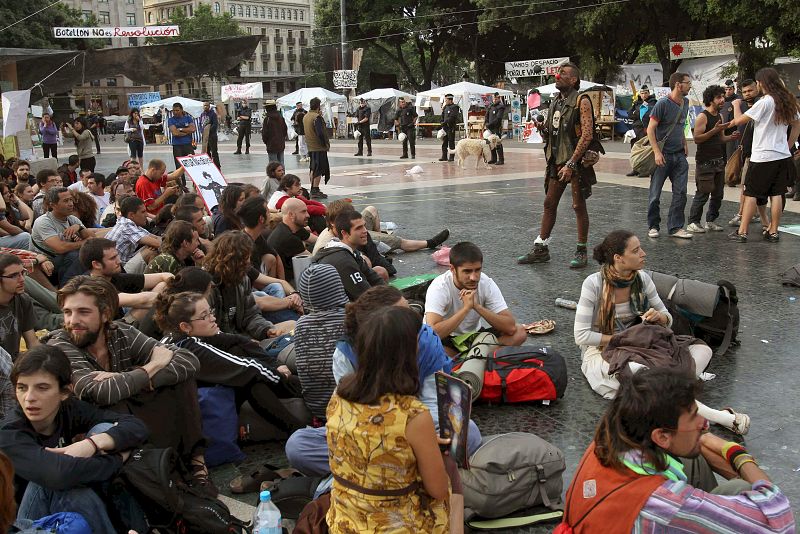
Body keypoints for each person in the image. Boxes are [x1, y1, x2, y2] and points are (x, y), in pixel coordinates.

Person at [557, 367, 793, 533]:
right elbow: (780, 520)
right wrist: (737, 454)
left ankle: (717, 515)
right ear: (661, 436)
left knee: (693, 457)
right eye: (694, 417)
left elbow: (693, 442)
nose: (705, 424)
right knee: (739, 488)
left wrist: (700, 439)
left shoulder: (610, 436)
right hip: (654, 512)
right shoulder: (666, 505)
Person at [286, 285, 482, 477]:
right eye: (402, 314)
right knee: (299, 445)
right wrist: (390, 439)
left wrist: (417, 438)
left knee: (469, 433)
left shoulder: (426, 341)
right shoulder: (346, 354)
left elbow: (432, 403)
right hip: (368, 432)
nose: (413, 320)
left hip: (417, 428)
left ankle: (372, 470)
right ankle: (411, 469)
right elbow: (349, 414)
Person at [47, 275, 214, 494]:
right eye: (68, 312)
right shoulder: (60, 346)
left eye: (83, 312)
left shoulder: (120, 333)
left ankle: (196, 463)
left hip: (127, 412)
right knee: (116, 402)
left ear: (105, 314)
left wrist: (128, 377)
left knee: (182, 381)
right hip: (92, 430)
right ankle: (159, 474)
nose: (72, 321)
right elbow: (97, 392)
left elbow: (188, 361)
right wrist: (152, 366)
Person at [574, 229, 749, 434]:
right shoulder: (594, 284)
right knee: (646, 376)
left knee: (703, 350)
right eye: (636, 251)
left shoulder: (642, 279)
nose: (643, 254)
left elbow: (667, 318)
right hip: (604, 352)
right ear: (618, 258)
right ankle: (723, 418)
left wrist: (660, 317)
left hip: (644, 345)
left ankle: (669, 390)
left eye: (641, 248)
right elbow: (582, 336)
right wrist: (622, 339)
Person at [326, 306, 451, 533]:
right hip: (397, 526)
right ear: (407, 354)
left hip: (343, 521)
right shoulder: (412, 414)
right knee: (451, 477)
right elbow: (438, 490)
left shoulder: (338, 395)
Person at [0, 345, 149, 533]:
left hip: (63, 497)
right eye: (22, 388)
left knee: (104, 430)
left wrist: (93, 443)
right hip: (22, 524)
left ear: (65, 392)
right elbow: (58, 475)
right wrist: (118, 458)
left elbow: (136, 426)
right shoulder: (9, 432)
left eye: (42, 388)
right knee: (58, 482)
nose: (29, 398)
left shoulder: (68, 409)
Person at [155, 290, 305, 434]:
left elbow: (237, 340)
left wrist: (275, 365)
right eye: (204, 316)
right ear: (185, 326)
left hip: (188, 405)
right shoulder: (190, 349)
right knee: (250, 380)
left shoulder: (175, 335)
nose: (212, 318)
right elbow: (247, 368)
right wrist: (280, 376)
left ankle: (301, 426)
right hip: (186, 420)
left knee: (239, 353)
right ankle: (300, 429)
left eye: (210, 312)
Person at [517, 62, 596, 268]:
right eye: (557, 73)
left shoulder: (581, 101)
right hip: (556, 160)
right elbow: (552, 133)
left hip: (575, 162)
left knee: (578, 205)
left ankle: (581, 250)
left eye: (562, 73)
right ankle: (541, 249)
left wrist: (571, 163)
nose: (557, 76)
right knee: (549, 204)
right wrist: (542, 129)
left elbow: (587, 135)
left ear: (573, 79)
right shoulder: (555, 102)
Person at [728, 67, 800, 243]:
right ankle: (773, 231)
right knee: (777, 194)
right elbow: (797, 125)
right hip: (782, 155)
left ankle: (742, 231)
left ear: (761, 83)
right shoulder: (788, 101)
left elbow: (739, 121)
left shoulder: (765, 102)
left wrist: (736, 106)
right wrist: (788, 145)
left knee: (751, 193)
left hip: (762, 156)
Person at [425, 241, 526, 355]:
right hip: (447, 339)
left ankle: (467, 359)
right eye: (467, 271)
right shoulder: (439, 287)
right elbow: (433, 333)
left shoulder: (486, 283)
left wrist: (477, 307)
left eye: (477, 270)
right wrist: (466, 309)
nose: (473, 277)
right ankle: (478, 357)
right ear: (452, 269)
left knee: (519, 332)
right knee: (425, 346)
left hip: (475, 337)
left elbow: (510, 327)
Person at [205, 231, 296, 340]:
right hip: (224, 342)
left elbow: (251, 315)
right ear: (233, 260)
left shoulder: (242, 280)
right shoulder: (208, 287)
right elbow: (209, 332)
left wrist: (266, 330)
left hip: (242, 336)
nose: (249, 262)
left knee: (293, 325)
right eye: (246, 258)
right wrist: (244, 342)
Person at [292, 264, 347, 421]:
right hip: (353, 409)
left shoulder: (301, 325)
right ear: (337, 287)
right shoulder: (354, 319)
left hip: (318, 409)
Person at [686, 85, 741, 233]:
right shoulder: (702, 116)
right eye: (718, 97)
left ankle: (710, 220)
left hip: (719, 161)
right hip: (705, 162)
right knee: (703, 193)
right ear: (710, 100)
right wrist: (714, 130)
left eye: (723, 97)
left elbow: (720, 138)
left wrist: (731, 137)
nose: (722, 100)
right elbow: (697, 139)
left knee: (718, 194)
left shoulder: (720, 116)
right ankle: (693, 222)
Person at [646, 72, 692, 239]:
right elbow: (650, 129)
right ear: (678, 85)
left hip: (679, 155)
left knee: (681, 193)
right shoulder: (663, 103)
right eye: (687, 83)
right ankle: (653, 225)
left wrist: (684, 143)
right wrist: (657, 152)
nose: (690, 86)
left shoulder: (685, 102)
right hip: (663, 155)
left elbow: (681, 124)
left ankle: (675, 227)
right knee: (655, 194)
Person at [80, 237, 172, 321]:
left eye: (117, 255)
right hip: (111, 331)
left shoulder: (111, 276)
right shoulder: (91, 288)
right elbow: (144, 301)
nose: (119, 261)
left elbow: (162, 276)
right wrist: (176, 299)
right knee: (153, 303)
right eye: (112, 258)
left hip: (119, 321)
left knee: (163, 285)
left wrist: (175, 283)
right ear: (96, 264)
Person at [314, 210, 386, 301]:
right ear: (344, 233)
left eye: (364, 226)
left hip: (347, 300)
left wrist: (391, 295)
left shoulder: (349, 249)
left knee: (380, 272)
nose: (365, 231)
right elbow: (365, 296)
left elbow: (374, 278)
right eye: (358, 228)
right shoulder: (343, 260)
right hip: (335, 307)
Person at [728, 79, 771, 227]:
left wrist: (735, 106)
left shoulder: (761, 104)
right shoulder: (744, 104)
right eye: (745, 92)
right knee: (748, 187)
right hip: (746, 152)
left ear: (757, 89)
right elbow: (735, 124)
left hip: (758, 154)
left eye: (750, 90)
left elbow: (738, 121)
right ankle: (755, 215)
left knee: (748, 187)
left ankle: (743, 216)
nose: (747, 94)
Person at [30, 187, 93, 285]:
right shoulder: (44, 221)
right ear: (53, 205)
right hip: (45, 264)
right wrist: (85, 242)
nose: (71, 204)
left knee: (91, 253)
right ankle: (66, 287)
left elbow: (93, 239)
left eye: (71, 199)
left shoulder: (72, 219)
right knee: (76, 255)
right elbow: (60, 248)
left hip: (64, 260)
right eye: (66, 201)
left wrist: (80, 228)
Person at [105, 195, 162, 272]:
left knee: (151, 246)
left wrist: (159, 242)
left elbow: (156, 238)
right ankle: (151, 278)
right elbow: (157, 243)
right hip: (118, 269)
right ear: (131, 215)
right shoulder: (126, 226)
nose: (146, 215)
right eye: (143, 212)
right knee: (151, 251)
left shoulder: (131, 224)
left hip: (123, 262)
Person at [0, 254, 39, 360]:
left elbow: (32, 342)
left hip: (15, 363)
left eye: (22, 273)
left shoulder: (23, 300)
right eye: (14, 276)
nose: (22, 279)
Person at [268, 197, 315, 283]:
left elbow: (317, 240)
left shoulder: (293, 228)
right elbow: (314, 261)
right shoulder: (287, 237)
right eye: (303, 212)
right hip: (287, 282)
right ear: (291, 215)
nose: (308, 215)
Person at [239, 196, 282, 278]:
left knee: (270, 258)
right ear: (261, 219)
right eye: (268, 212)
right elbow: (253, 278)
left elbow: (276, 255)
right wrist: (280, 282)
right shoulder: (244, 244)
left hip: (255, 277)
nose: (270, 215)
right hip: (247, 281)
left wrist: (282, 282)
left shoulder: (256, 236)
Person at [625, 85, 657, 177]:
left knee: (645, 150)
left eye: (645, 93)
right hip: (636, 129)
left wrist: (637, 113)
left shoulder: (653, 102)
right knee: (635, 149)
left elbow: (648, 114)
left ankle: (645, 170)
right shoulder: (637, 103)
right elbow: (630, 114)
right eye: (642, 93)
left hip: (646, 129)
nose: (644, 95)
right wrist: (637, 113)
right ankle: (635, 168)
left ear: (649, 93)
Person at [303, 97, 330, 199]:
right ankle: (315, 189)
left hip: (310, 146)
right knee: (318, 168)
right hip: (318, 147)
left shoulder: (306, 116)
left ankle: (312, 188)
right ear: (318, 106)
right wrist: (325, 144)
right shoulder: (316, 117)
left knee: (313, 167)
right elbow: (320, 133)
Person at [168, 102, 196, 170]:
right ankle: (181, 178)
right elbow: (175, 133)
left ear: (181, 110)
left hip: (188, 144)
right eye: (174, 110)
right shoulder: (171, 120)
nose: (175, 112)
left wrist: (180, 129)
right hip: (177, 146)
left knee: (193, 165)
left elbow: (193, 129)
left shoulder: (188, 118)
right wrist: (187, 132)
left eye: (177, 110)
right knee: (179, 167)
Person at [484, 92, 507, 165]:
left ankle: (501, 159)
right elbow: (486, 116)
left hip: (496, 127)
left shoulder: (500, 107)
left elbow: (498, 118)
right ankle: (493, 158)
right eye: (494, 98)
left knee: (498, 142)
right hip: (490, 128)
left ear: (499, 98)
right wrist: (486, 123)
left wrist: (490, 124)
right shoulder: (490, 106)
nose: (494, 100)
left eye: (496, 98)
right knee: (490, 142)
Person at [262, 100, 288, 165]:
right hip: (281, 144)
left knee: (273, 164)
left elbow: (265, 133)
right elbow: (285, 130)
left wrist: (266, 142)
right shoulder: (281, 117)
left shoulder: (267, 119)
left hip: (271, 144)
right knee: (281, 163)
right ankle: (282, 172)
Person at [439, 94, 460, 162]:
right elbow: (442, 115)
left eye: (446, 100)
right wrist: (441, 122)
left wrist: (445, 122)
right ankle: (444, 156)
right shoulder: (445, 107)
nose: (445, 101)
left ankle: (451, 157)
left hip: (451, 127)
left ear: (450, 100)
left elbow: (452, 117)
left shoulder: (455, 107)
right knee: (444, 143)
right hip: (445, 128)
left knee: (451, 143)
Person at [201, 101, 221, 169]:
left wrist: (208, 131)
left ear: (209, 106)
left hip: (212, 136)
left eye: (207, 105)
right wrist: (202, 131)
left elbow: (215, 125)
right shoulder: (202, 114)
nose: (205, 107)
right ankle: (209, 166)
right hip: (205, 137)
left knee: (214, 152)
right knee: (206, 152)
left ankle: (217, 166)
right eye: (204, 105)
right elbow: (201, 124)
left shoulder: (213, 114)